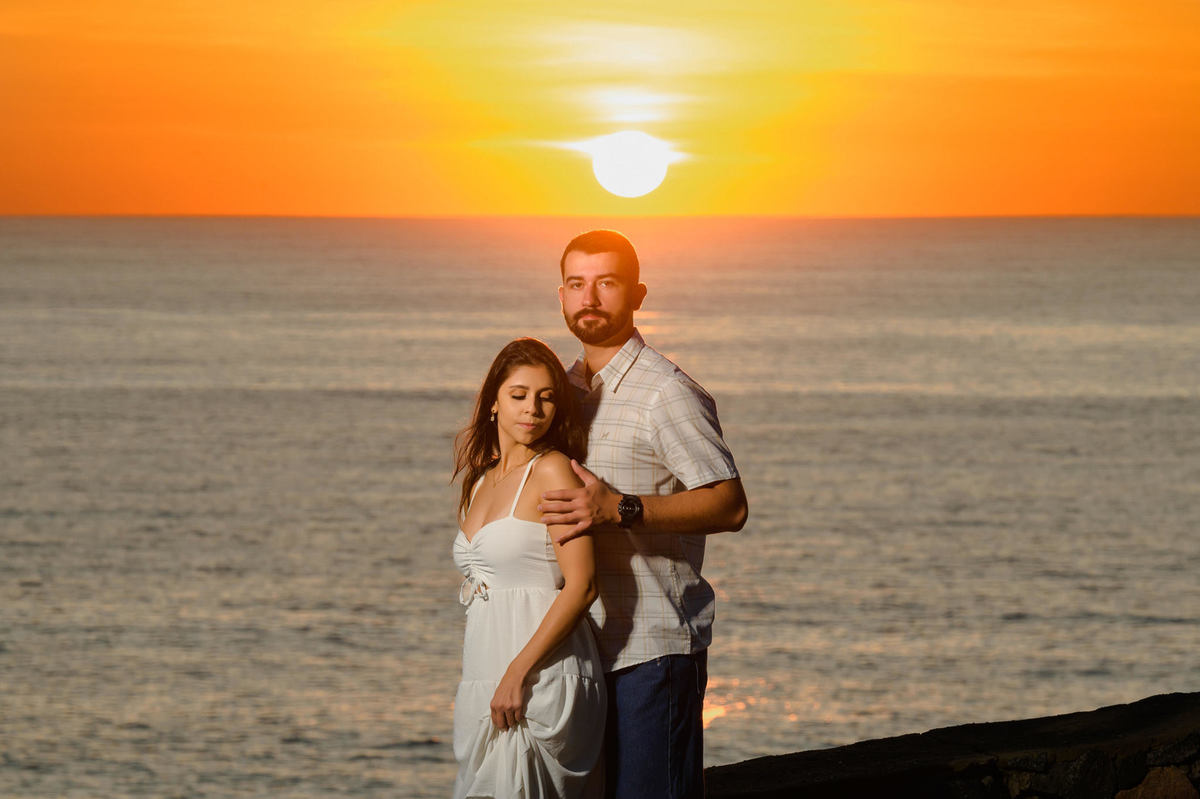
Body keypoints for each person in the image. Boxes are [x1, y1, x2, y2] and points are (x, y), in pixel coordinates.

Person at [538, 230, 749, 799]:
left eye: (607, 283)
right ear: (561, 295)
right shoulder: (560, 393)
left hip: (652, 655)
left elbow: (729, 503)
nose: (589, 298)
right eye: (576, 284)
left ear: (637, 294)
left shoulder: (666, 392)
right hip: (579, 651)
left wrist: (619, 508)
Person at [451, 337, 607, 799]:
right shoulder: (480, 480)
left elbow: (582, 585)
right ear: (493, 402)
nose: (533, 409)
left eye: (546, 397)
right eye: (519, 395)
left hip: (540, 674)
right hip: (486, 668)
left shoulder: (553, 470)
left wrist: (518, 672)